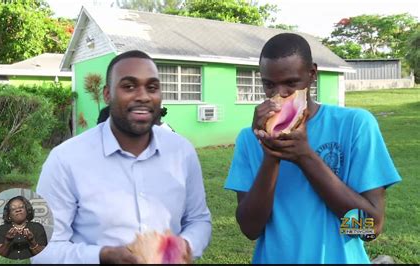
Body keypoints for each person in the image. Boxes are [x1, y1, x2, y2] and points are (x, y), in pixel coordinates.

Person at [224, 33, 401, 264]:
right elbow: (251, 229)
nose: (280, 95)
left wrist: (306, 157)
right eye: (269, 84)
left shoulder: (355, 125)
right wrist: (271, 155)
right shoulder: (250, 139)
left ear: (312, 75)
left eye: (291, 83)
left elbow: (370, 229)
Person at [33, 50, 211, 264]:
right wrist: (101, 256)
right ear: (107, 94)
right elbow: (44, 250)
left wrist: (186, 245)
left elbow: (198, 220)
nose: (143, 96)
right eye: (129, 86)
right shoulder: (65, 160)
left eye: (152, 87)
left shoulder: (182, 152)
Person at [0, 196, 47, 260]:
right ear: (8, 215)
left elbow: (44, 255)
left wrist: (32, 242)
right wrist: (7, 242)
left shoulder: (37, 227)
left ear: (27, 210)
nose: (18, 210)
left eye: (21, 207)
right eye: (13, 209)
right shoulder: (1, 229)